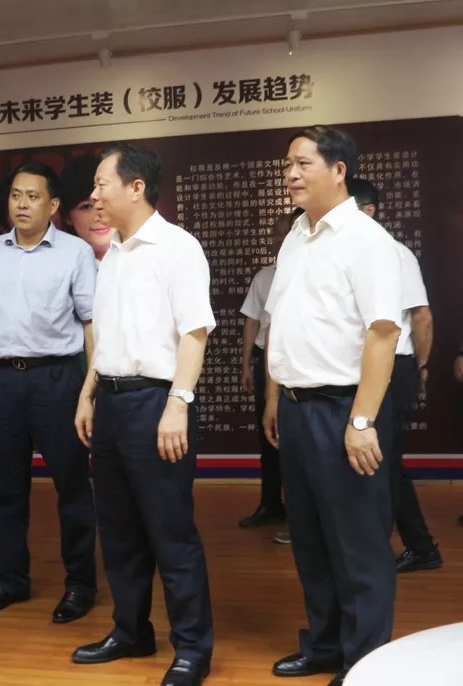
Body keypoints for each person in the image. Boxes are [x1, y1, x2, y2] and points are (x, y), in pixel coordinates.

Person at [71, 143, 214, 686]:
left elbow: (194, 333)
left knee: (170, 532)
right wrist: (87, 393)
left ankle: (192, 648)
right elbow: (107, 337)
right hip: (109, 401)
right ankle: (130, 631)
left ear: (136, 188)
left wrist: (179, 402)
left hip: (156, 402)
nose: (93, 196)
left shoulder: (178, 248)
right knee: (119, 530)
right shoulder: (111, 254)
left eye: (101, 183)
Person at [263, 126, 402, 686]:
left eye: (303, 163)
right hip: (297, 409)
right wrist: (275, 396)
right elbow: (281, 322)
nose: (291, 174)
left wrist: (362, 420)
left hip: (344, 409)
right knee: (311, 538)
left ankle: (365, 662)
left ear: (339, 170)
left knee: (358, 545)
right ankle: (323, 644)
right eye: (288, 164)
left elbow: (384, 332)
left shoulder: (366, 240)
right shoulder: (296, 236)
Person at [0, 162, 98, 624]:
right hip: (2, 381)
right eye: (16, 195)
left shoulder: (76, 252)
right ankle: (9, 580)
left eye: (33, 196)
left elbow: (91, 323)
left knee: (71, 486)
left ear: (53, 205)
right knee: (5, 488)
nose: (21, 203)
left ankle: (80, 585)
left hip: (58, 379)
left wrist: (89, 389)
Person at [347, 177, 441, 573]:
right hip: (358, 372)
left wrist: (420, 365)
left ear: (368, 211)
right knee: (377, 460)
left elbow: (421, 316)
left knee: (383, 461)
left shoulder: (393, 252)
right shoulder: (344, 252)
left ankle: (413, 546)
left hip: (392, 368)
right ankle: (395, 545)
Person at [237, 213, 292, 529]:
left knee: (294, 438)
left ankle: (299, 512)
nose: (279, 240)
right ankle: (271, 503)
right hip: (264, 361)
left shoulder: (306, 273)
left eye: (286, 233)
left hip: (294, 361)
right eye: (276, 234)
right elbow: (252, 321)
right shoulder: (264, 277)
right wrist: (246, 364)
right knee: (267, 433)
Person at [59, 154, 113, 265]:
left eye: (105, 201)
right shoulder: (60, 265)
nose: (99, 216)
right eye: (86, 207)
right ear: (67, 217)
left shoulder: (146, 256)